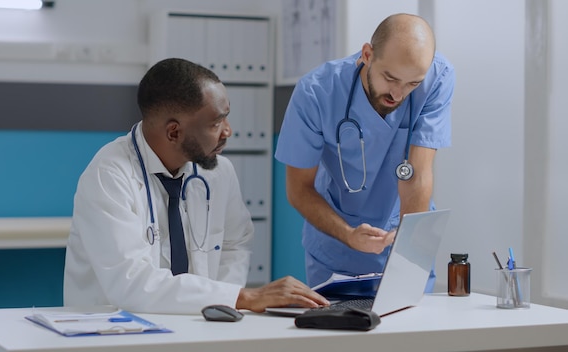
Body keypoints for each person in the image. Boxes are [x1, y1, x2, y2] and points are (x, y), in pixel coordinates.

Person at [64, 58, 328, 314]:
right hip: (112, 332)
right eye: (216, 123)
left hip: (195, 324)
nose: (228, 131)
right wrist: (242, 297)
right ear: (174, 132)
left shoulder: (218, 172)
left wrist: (222, 304)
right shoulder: (109, 175)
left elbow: (235, 242)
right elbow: (129, 283)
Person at [274, 13, 455, 289]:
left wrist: (406, 259)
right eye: (390, 78)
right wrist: (348, 235)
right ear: (367, 54)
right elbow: (298, 189)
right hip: (335, 249)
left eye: (412, 84)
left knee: (409, 327)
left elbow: (417, 175)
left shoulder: (437, 78)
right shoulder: (316, 93)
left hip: (404, 237)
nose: (398, 94)